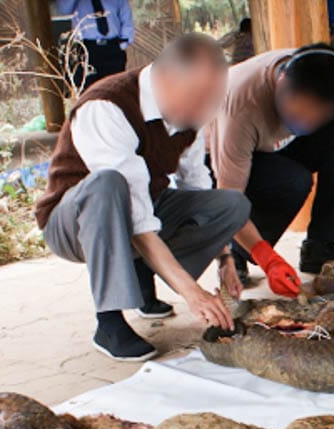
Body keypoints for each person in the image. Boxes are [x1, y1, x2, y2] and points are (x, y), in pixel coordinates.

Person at [35, 34, 250, 362]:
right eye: (196, 97)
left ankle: (141, 273)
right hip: (74, 221)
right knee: (108, 184)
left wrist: (225, 260)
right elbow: (132, 211)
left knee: (231, 205)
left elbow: (197, 187)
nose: (203, 109)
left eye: (212, 99)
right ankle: (108, 321)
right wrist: (192, 293)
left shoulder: (188, 115)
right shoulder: (106, 106)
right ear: (164, 77)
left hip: (146, 207)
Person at [205, 44, 334, 284]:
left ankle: (320, 249)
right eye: (297, 115)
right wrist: (266, 257)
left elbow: (333, 136)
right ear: (281, 82)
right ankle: (236, 250)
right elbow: (228, 199)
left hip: (269, 149)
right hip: (216, 163)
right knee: (292, 180)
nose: (306, 123)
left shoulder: (323, 77)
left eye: (315, 117)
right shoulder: (241, 108)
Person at [57, 0, 135, 92]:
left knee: (115, 89)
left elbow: (126, 20)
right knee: (90, 90)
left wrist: (122, 44)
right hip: (87, 49)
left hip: (112, 48)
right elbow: (63, 9)